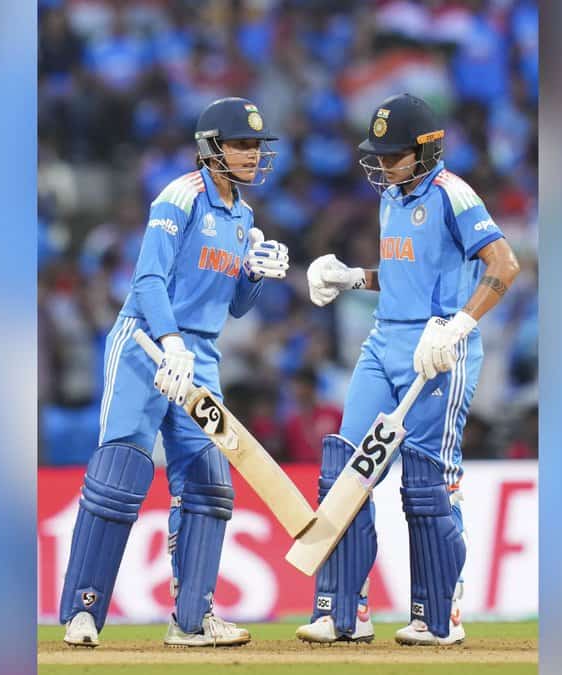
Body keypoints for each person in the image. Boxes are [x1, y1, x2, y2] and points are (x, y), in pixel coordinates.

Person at [60, 97, 289, 648]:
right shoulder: (178, 197)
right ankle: (83, 612)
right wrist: (169, 343)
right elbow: (147, 280)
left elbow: (235, 308)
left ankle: (192, 620)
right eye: (241, 144)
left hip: (200, 355)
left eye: (257, 146)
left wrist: (254, 274)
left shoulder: (244, 219)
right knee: (119, 477)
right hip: (145, 341)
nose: (253, 155)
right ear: (211, 148)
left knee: (209, 483)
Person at [298, 94, 520, 646]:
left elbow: (504, 263)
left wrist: (458, 326)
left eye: (394, 154)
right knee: (345, 472)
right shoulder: (391, 198)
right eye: (378, 153)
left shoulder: (453, 194)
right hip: (383, 341)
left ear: (426, 150)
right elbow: (404, 274)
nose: (383, 164)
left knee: (426, 483)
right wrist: (352, 278)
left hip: (436, 349)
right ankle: (343, 610)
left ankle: (438, 617)